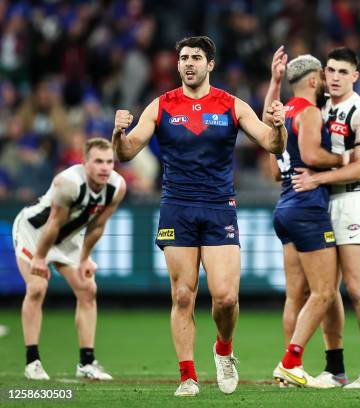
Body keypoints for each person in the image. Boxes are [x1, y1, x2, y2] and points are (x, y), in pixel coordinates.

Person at [111, 36, 287, 397]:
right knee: (183, 296)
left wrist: (281, 125)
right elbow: (127, 152)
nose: (189, 63)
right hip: (177, 206)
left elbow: (271, 144)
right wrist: (117, 134)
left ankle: (223, 349)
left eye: (196, 57)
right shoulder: (160, 106)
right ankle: (188, 376)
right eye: (184, 58)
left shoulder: (231, 105)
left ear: (211, 65)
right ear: (177, 65)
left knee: (224, 297)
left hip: (219, 205)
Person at [292, 47, 360, 388]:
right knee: (325, 290)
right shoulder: (318, 107)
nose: (334, 76)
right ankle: (335, 369)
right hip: (321, 204)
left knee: (358, 288)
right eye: (330, 70)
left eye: (343, 72)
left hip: (351, 202)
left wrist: (317, 178)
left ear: (355, 76)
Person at [263, 47, 348, 388]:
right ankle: (290, 362)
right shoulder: (309, 113)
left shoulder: (281, 115)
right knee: (325, 291)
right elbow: (312, 154)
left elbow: (273, 168)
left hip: (284, 205)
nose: (329, 80)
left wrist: (273, 82)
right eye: (325, 76)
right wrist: (344, 160)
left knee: (295, 296)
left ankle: (289, 370)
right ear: (314, 80)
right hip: (308, 207)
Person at [12, 137, 125, 381]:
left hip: (66, 238)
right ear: (85, 163)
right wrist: (40, 258)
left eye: (109, 162)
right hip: (34, 234)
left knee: (87, 289)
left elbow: (97, 225)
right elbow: (52, 223)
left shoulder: (117, 186)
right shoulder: (68, 183)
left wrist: (85, 259)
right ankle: (32, 362)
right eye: (98, 161)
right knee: (37, 287)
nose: (105, 167)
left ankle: (86, 363)